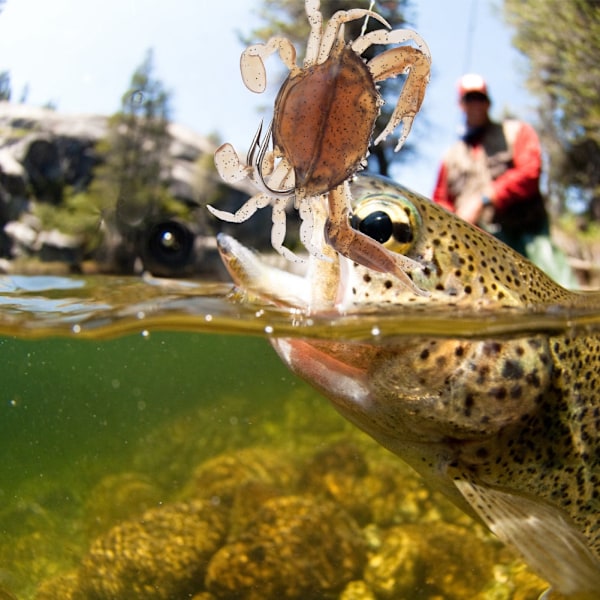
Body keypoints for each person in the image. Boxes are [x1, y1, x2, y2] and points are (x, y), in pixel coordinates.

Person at [432, 73, 577, 288]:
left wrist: (485, 198)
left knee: (560, 292)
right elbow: (440, 201)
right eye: (469, 99)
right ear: (461, 104)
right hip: (479, 250)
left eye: (480, 98)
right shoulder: (450, 157)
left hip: (528, 237)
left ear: (488, 102)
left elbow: (530, 172)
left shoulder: (516, 132)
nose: (476, 104)